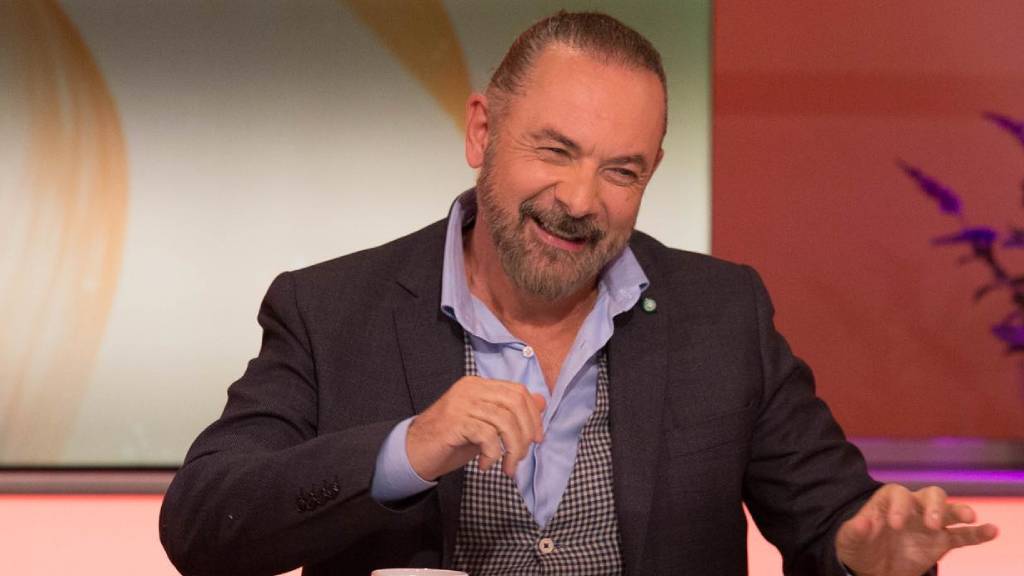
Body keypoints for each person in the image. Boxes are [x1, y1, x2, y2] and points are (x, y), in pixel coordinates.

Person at [159, 11, 998, 576]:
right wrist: (407, 449)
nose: (580, 199)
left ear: (651, 174)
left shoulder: (722, 314)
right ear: (482, 131)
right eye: (555, 151)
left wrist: (870, 552)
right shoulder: (331, 309)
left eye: (620, 171)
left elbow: (836, 521)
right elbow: (201, 524)